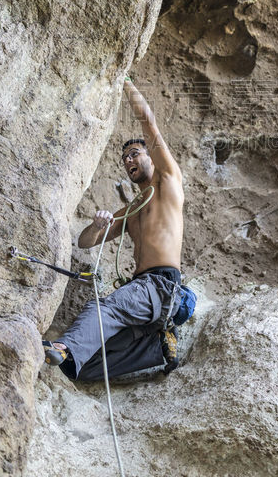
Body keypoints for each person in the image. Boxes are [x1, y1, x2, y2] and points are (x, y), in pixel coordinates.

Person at [42, 77, 185, 379]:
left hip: (160, 286)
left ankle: (65, 346)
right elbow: (85, 242)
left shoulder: (168, 183)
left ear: (152, 157)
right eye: (124, 158)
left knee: (103, 309)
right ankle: (157, 347)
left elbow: (149, 122)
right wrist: (96, 226)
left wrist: (124, 80)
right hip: (142, 294)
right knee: (85, 366)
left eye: (135, 153)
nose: (128, 160)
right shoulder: (132, 211)